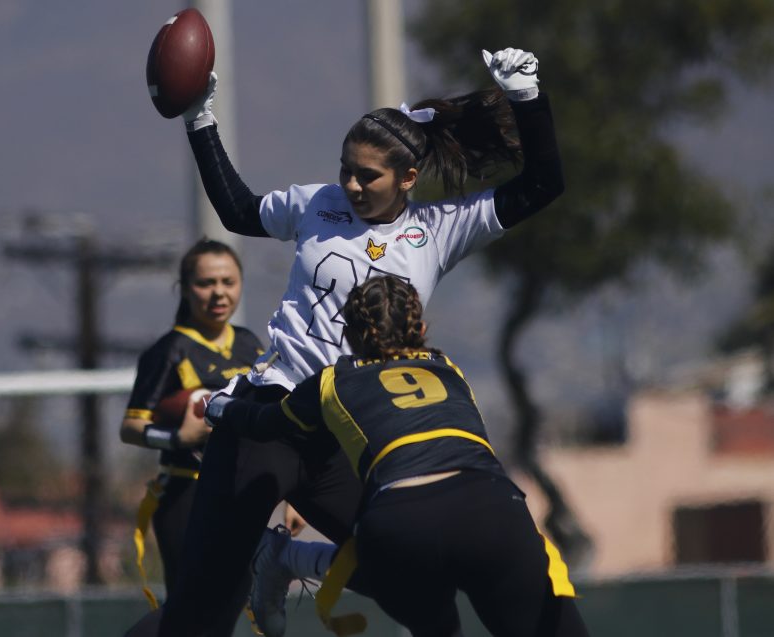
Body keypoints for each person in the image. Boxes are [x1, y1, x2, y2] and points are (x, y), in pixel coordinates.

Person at [134, 46, 565, 637]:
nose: (351, 184)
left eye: (368, 175)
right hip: (271, 415)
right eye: (345, 168)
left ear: (409, 178)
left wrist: (527, 96)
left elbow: (544, 183)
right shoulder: (319, 205)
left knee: (406, 571)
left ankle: (286, 558)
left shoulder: (437, 231)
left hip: (345, 431)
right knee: (200, 614)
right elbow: (238, 210)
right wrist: (199, 119)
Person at [205, 276, 590, 637]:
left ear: (348, 337)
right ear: (421, 331)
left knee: (389, 571)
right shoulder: (449, 368)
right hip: (491, 509)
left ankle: (293, 558)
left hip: (402, 522)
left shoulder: (332, 379)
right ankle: (291, 559)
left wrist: (219, 406)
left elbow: (265, 423)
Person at [119, 238, 264, 617]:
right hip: (188, 491)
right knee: (192, 609)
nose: (219, 292)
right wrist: (177, 437)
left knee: (234, 603)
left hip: (242, 491)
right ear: (184, 289)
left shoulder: (250, 344)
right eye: (206, 283)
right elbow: (131, 426)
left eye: (228, 282)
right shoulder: (171, 350)